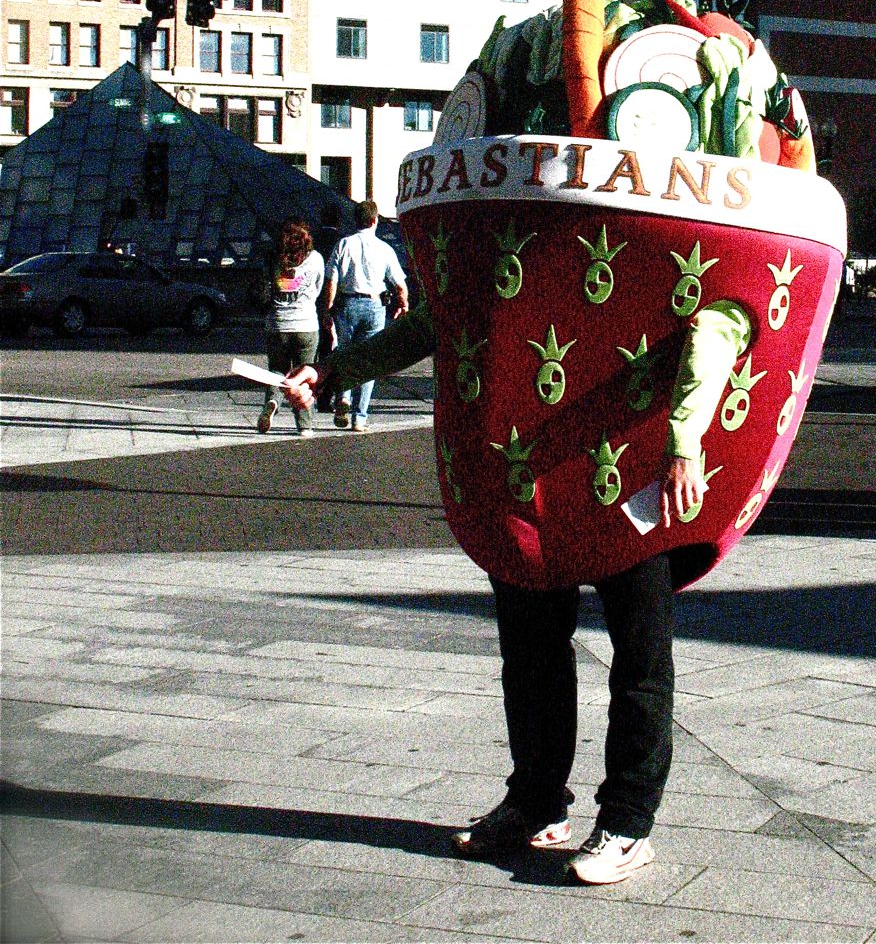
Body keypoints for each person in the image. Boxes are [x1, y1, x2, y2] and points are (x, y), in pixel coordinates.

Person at [280, 295, 747, 884]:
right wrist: (331, 372)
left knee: (640, 662)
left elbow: (720, 321)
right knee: (531, 655)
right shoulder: (508, 237)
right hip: (530, 471)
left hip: (630, 469)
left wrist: (685, 439)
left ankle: (628, 824)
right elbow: (439, 315)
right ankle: (536, 803)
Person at [321, 199, 409, 432]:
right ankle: (359, 418)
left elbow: (331, 280)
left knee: (345, 353)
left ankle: (344, 397)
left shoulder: (343, 244)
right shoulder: (384, 248)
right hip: (375, 305)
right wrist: (404, 304)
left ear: (356, 220)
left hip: (347, 303)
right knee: (370, 360)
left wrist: (327, 309)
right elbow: (400, 284)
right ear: (374, 220)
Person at [258, 217, 324, 438]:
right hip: (306, 323)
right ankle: (304, 425)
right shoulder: (315, 259)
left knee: (277, 369)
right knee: (304, 373)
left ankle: (272, 402)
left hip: (277, 324)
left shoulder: (273, 259)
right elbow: (317, 288)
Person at [311, 203, 343, 413]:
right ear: (338, 221)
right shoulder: (341, 242)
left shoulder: (312, 240)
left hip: (311, 301)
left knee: (314, 350)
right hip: (334, 301)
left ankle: (311, 393)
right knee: (330, 350)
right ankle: (326, 397)